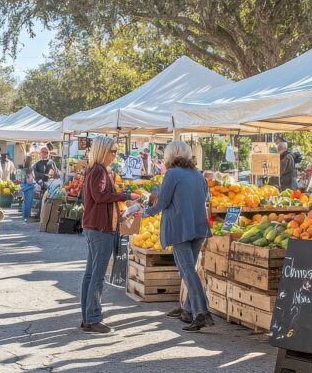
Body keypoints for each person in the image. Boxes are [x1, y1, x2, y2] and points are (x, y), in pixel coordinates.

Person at [142, 142, 215, 332]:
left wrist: (144, 213)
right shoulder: (199, 176)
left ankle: (202, 312)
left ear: (170, 155)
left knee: (188, 270)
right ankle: (189, 309)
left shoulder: (172, 174)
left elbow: (162, 203)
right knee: (188, 270)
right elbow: (204, 198)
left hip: (180, 228)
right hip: (199, 227)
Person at [79, 136, 139, 334]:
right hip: (100, 228)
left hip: (93, 226)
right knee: (97, 275)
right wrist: (126, 196)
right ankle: (94, 318)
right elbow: (100, 196)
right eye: (113, 151)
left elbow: (99, 195)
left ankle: (87, 317)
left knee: (91, 273)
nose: (115, 155)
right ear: (103, 151)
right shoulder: (98, 170)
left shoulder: (93, 169)